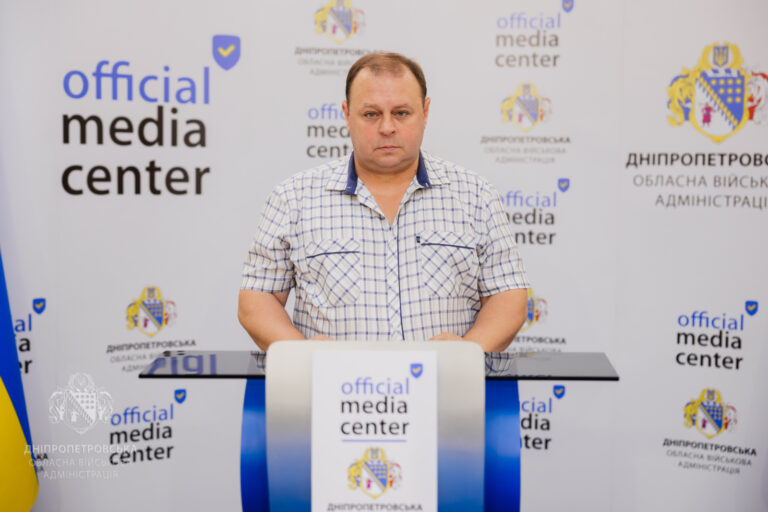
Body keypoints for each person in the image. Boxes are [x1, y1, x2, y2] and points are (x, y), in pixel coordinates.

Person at [238, 52, 529, 351]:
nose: (387, 127)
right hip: (332, 381)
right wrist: (301, 354)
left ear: (425, 112)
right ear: (346, 114)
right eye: (371, 114)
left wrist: (467, 353)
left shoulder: (476, 195)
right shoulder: (293, 198)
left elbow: (508, 296)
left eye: (401, 113)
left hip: (446, 381)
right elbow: (258, 297)